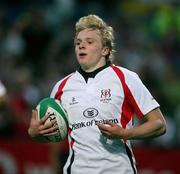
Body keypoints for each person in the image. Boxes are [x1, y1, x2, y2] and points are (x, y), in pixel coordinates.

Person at [28, 14, 166, 174]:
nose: (81, 46)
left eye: (89, 42)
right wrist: (36, 134)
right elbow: (54, 135)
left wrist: (125, 133)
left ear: (105, 49)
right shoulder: (62, 86)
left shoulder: (126, 78)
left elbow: (159, 124)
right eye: (78, 43)